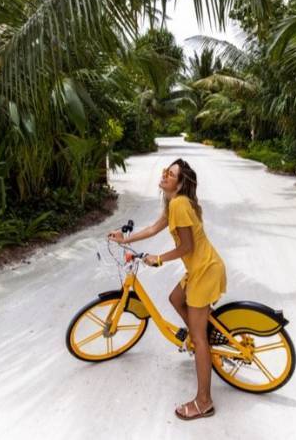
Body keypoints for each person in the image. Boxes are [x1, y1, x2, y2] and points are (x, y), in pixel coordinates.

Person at [108, 158, 227, 420]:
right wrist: (125, 239)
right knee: (175, 298)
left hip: (205, 271)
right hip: (200, 269)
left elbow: (187, 247)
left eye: (170, 174)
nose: (164, 176)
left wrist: (159, 259)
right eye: (165, 171)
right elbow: (153, 228)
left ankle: (204, 401)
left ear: (180, 184)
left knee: (199, 339)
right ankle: (200, 334)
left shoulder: (180, 204)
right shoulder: (173, 204)